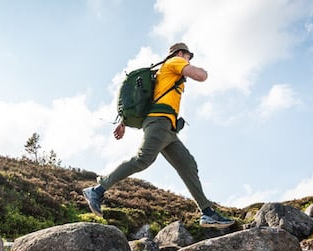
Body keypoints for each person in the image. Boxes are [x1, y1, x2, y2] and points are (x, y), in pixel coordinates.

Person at [83, 42, 235, 228]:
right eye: (188, 56)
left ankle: (207, 213)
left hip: (167, 129)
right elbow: (200, 76)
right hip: (159, 123)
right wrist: (203, 70)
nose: (188, 60)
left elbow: (149, 98)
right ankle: (97, 190)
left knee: (187, 164)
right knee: (142, 159)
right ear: (180, 53)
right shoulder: (174, 62)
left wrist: (124, 121)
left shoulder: (163, 73)